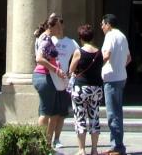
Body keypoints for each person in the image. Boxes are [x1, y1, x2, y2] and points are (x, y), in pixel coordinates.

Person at [68, 23, 104, 155]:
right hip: (96, 88)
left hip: (81, 88)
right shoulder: (99, 52)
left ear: (81, 38)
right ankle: (94, 149)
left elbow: (71, 69)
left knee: (80, 117)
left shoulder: (79, 52)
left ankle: (81, 149)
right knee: (94, 117)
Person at [34, 13, 70, 145]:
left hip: (48, 77)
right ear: (52, 27)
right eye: (58, 27)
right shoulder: (45, 38)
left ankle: (46, 143)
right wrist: (55, 69)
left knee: (49, 111)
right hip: (44, 76)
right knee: (45, 112)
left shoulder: (46, 37)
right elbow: (39, 59)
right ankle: (40, 144)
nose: (60, 30)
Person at [100, 13, 131, 155]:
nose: (101, 27)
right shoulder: (122, 36)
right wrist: (120, 66)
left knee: (112, 113)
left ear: (108, 24)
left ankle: (117, 146)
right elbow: (129, 58)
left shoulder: (110, 36)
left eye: (102, 24)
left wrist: (96, 64)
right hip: (121, 77)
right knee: (117, 112)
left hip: (111, 78)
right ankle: (117, 145)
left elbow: (106, 55)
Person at [53, 23, 80, 148]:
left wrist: (72, 71)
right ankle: (47, 139)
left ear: (63, 27)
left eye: (60, 26)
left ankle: (57, 139)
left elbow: (80, 55)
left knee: (62, 113)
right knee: (50, 112)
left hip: (64, 82)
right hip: (50, 81)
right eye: (55, 26)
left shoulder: (71, 42)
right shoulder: (49, 41)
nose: (57, 29)